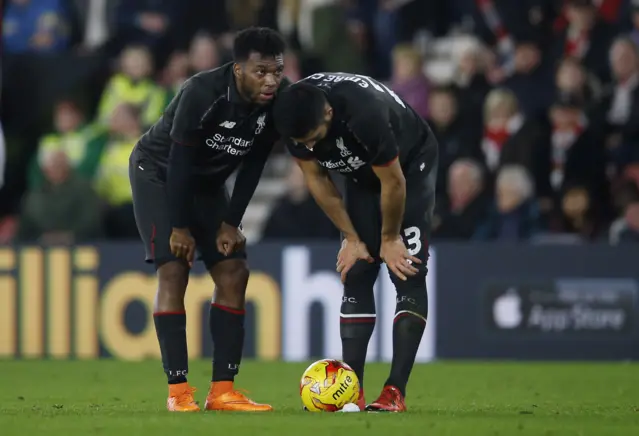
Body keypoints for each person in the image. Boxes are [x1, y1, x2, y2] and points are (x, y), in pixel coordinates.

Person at [129, 27, 287, 413]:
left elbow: (254, 163)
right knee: (174, 269)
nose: (270, 80)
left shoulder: (277, 101)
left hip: (208, 183)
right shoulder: (201, 92)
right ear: (238, 70)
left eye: (277, 71)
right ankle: (178, 392)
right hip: (160, 173)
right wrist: (180, 227)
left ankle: (223, 391)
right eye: (261, 71)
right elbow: (180, 163)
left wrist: (231, 221)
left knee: (235, 271)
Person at [272, 72, 438, 412]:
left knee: (407, 270)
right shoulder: (292, 116)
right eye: (303, 143)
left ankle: (395, 391)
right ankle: (352, 390)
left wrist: (389, 238)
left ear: (328, 114)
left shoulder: (365, 114)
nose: (311, 148)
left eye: (315, 138)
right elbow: (316, 178)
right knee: (359, 269)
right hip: (362, 175)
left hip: (409, 164)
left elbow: (393, 183)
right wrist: (351, 237)